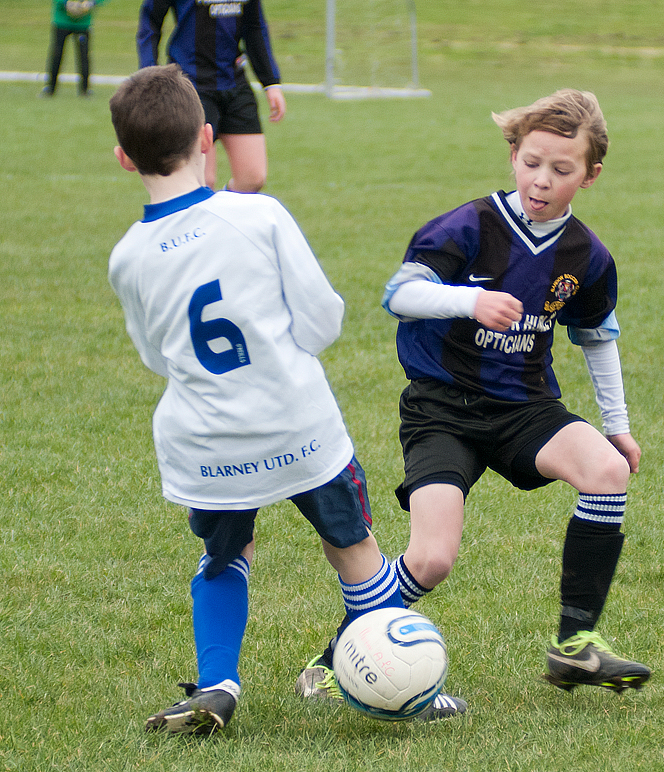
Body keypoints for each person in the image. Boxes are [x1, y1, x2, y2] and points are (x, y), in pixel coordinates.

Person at [296, 89, 651, 710]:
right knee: (432, 559)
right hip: (443, 408)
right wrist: (470, 300)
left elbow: (597, 335)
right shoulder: (468, 226)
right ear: (513, 155)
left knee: (607, 471)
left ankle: (575, 645)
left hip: (525, 408)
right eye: (531, 162)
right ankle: (333, 663)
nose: (542, 180)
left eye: (561, 169)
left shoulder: (587, 256)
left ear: (590, 175)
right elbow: (400, 296)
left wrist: (616, 425)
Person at [108, 64, 406, 735]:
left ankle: (217, 684)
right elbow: (323, 320)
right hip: (298, 428)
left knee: (224, 557)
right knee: (354, 548)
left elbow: (155, 356)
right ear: (207, 138)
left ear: (124, 158)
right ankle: (404, 683)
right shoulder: (258, 214)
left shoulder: (128, 256)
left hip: (208, 443)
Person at [136, 0, 286, 193]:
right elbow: (150, 21)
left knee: (253, 178)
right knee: (203, 182)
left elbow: (255, 25)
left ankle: (220, 208)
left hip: (234, 83)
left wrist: (271, 82)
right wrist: (150, 75)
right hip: (191, 87)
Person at [41, 0, 106, 97]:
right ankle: (50, 88)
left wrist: (92, 3)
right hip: (62, 21)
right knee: (57, 54)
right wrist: (65, 3)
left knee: (84, 56)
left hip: (82, 23)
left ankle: (85, 90)